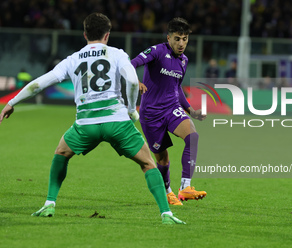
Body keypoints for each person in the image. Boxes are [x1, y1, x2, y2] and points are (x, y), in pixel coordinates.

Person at [0, 13, 185, 225]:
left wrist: (12, 102)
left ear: (85, 34)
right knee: (148, 164)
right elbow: (133, 81)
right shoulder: (117, 54)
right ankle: (166, 214)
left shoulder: (73, 59)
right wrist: (132, 109)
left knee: (61, 153)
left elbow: (39, 84)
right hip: (117, 122)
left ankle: (49, 203)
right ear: (107, 35)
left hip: (85, 124)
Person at [131, 17, 206, 206]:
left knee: (193, 136)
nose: (181, 44)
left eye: (185, 39)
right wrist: (136, 81)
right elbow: (132, 64)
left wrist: (190, 110)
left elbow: (177, 88)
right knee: (162, 160)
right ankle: (167, 191)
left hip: (172, 109)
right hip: (151, 115)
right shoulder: (157, 51)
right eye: (177, 39)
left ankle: (185, 187)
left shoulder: (184, 60)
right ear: (169, 38)